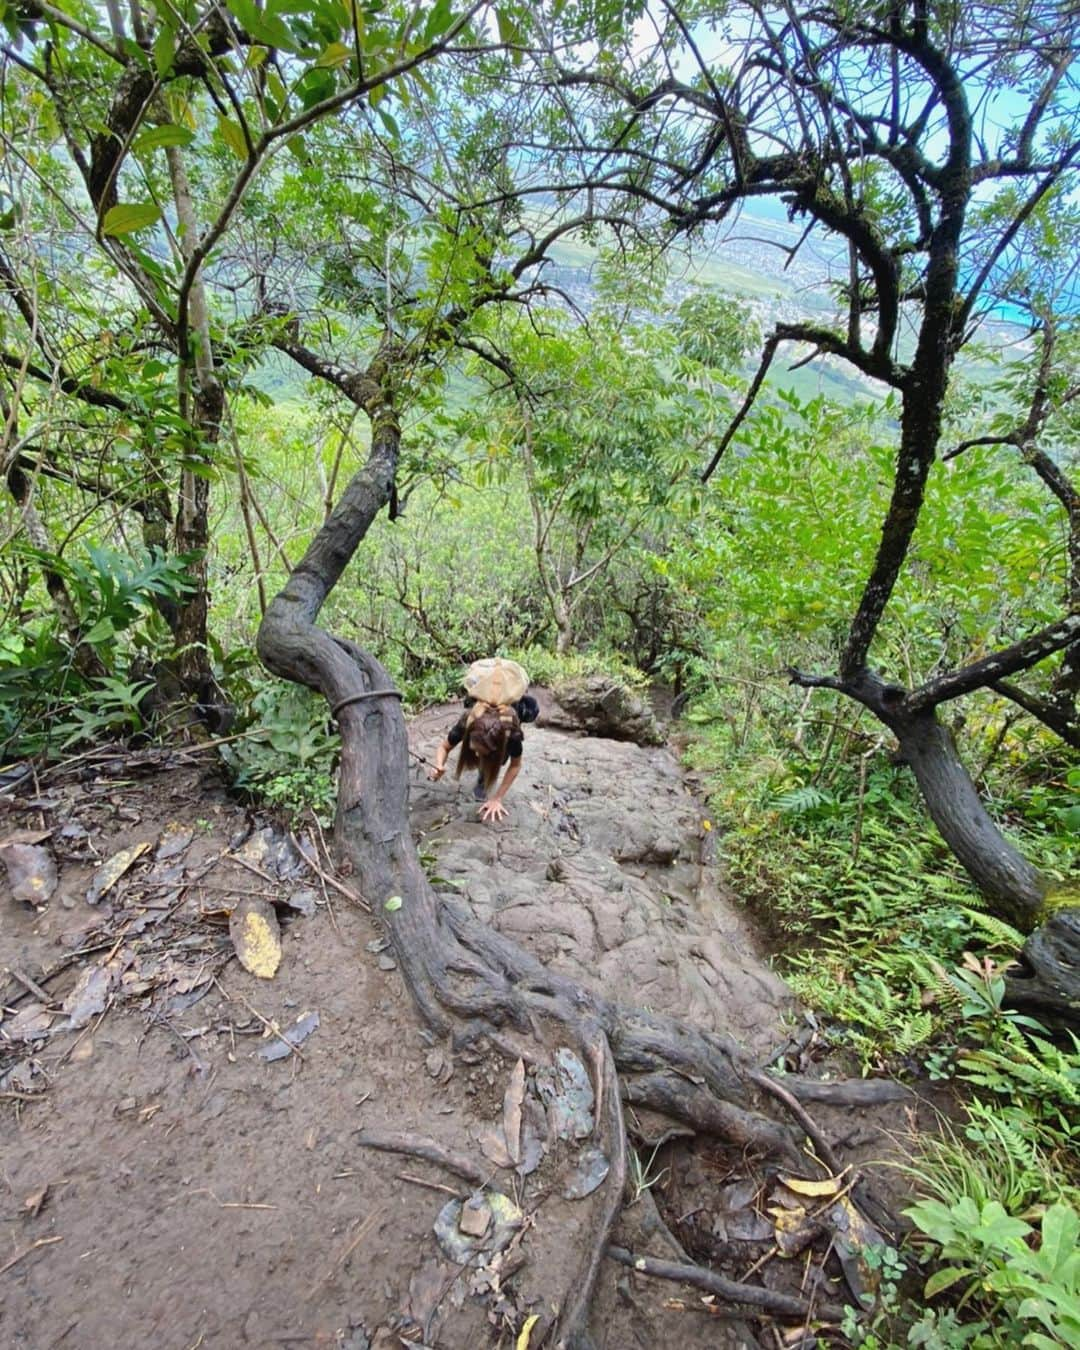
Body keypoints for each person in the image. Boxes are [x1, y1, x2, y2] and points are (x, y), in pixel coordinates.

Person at [427, 659, 538, 823]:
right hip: (487, 719)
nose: (476, 754)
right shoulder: (467, 722)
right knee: (484, 758)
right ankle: (484, 773)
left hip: (513, 717)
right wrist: (439, 765)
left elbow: (515, 765)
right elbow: (444, 747)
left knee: (499, 761)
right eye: (475, 749)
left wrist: (497, 798)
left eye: (482, 752)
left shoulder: (511, 733)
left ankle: (486, 772)